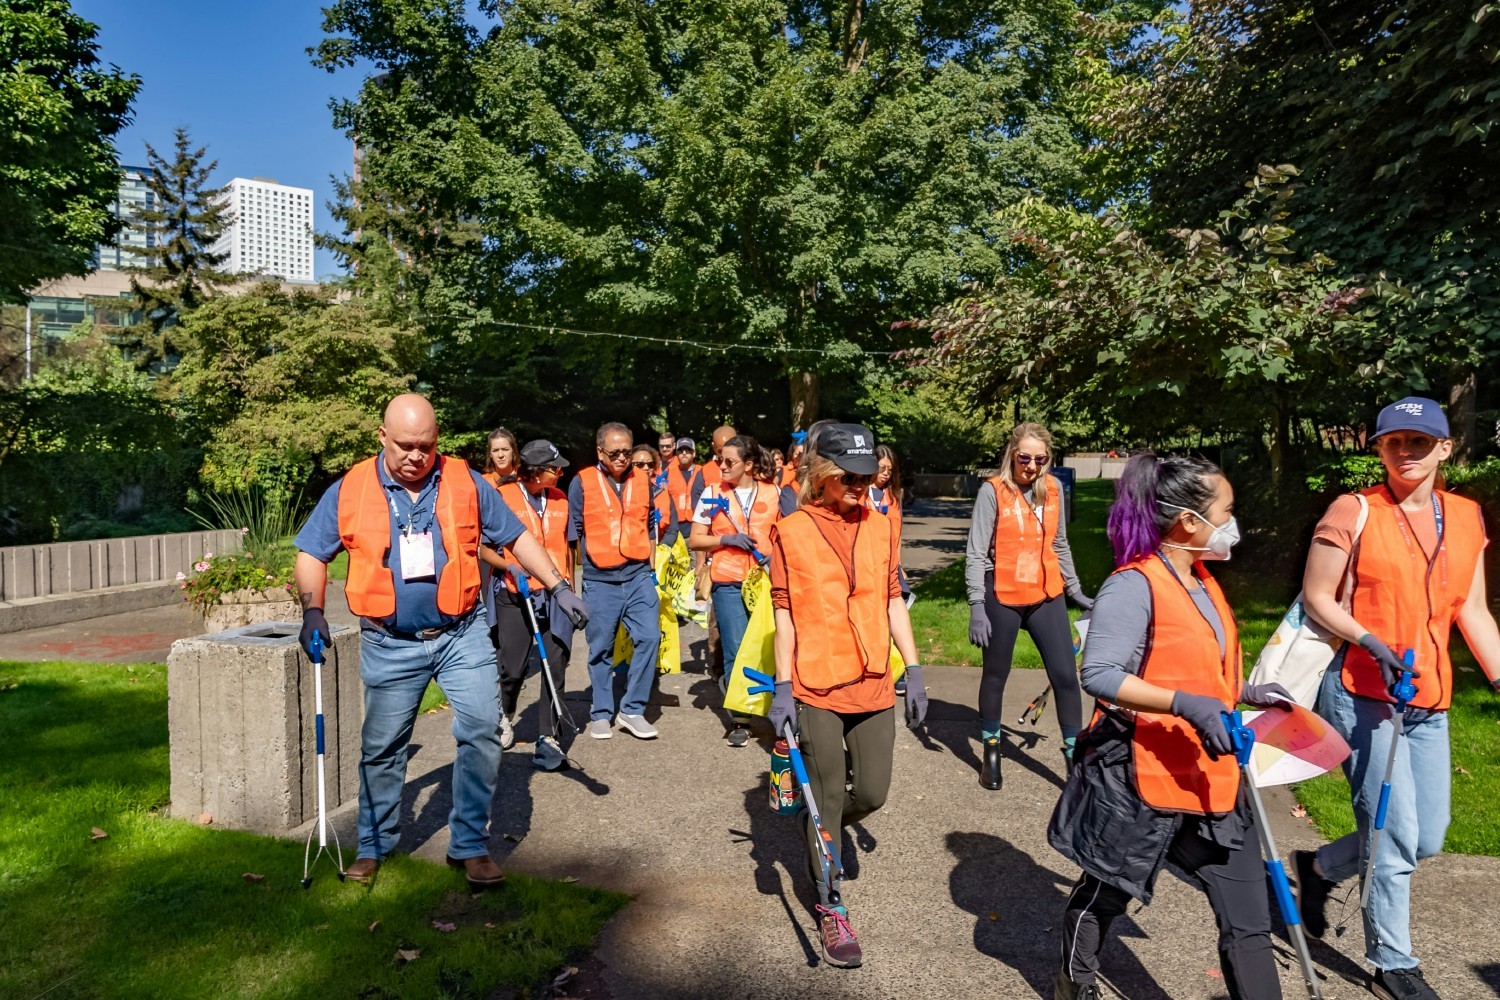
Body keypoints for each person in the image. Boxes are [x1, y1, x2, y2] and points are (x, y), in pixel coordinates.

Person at [293, 394, 589, 889]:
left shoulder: (464, 481)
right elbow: (311, 552)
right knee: (382, 748)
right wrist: (312, 610)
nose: (415, 456)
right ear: (382, 437)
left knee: (479, 732)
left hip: (462, 632)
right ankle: (374, 844)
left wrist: (558, 585)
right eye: (405, 445)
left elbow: (515, 537)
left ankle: (470, 844)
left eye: (426, 446)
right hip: (389, 641)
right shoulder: (349, 489)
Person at [1048, 451, 1292, 1000]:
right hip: (1143, 777)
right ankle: (1074, 982)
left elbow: (1198, 662)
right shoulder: (1133, 585)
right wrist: (1186, 704)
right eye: (1226, 511)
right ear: (1188, 520)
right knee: (1107, 893)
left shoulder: (1204, 580)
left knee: (1249, 923)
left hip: (1213, 776)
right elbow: (1102, 674)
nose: (1233, 523)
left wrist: (1246, 692)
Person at [1292, 397, 1500, 1000]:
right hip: (1363, 691)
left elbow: (1473, 610)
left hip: (1428, 697)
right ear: (1378, 448)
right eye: (1393, 442)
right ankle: (1393, 961)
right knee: (1391, 828)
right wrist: (1370, 641)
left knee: (1428, 836)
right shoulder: (1353, 511)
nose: (1405, 452)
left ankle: (1320, 868)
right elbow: (1318, 597)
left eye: (1418, 441)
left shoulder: (1466, 517)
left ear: (1444, 447)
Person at [766, 422, 927, 969]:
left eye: (866, 476)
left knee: (873, 792)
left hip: (874, 679)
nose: (862, 486)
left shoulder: (882, 527)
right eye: (850, 477)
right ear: (823, 476)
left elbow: (890, 599)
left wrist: (916, 666)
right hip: (814, 683)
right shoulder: (790, 531)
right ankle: (830, 902)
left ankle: (821, 828)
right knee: (829, 796)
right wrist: (783, 687)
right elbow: (784, 613)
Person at [965, 422, 1094, 787]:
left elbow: (1061, 544)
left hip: (1046, 593)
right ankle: (991, 750)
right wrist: (977, 604)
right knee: (996, 675)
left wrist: (1076, 590)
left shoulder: (1053, 490)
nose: (1032, 466)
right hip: (1003, 593)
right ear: (1011, 454)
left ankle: (1073, 756)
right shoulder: (992, 492)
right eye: (1025, 457)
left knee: (1067, 677)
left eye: (1041, 458)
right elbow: (976, 553)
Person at [569, 422, 664, 740]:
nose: (623, 458)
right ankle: (600, 712)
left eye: (628, 451)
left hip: (638, 575)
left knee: (650, 637)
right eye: (615, 453)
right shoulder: (582, 482)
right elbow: (573, 533)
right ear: (600, 451)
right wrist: (571, 582)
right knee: (600, 648)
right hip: (600, 579)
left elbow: (650, 523)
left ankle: (632, 709)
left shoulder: (643, 480)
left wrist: (651, 565)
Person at [486, 439, 576, 771]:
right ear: (537, 472)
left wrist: (570, 593)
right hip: (515, 593)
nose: (561, 471)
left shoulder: (561, 500)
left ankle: (548, 739)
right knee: (511, 668)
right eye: (555, 468)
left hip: (555, 595)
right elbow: (480, 547)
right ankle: (504, 713)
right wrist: (506, 565)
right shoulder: (501, 497)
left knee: (556, 663)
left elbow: (567, 552)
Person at [689, 434, 780, 747]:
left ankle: (776, 708)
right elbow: (694, 539)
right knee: (737, 647)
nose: (721, 466)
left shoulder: (774, 492)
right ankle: (740, 719)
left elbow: (787, 533)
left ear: (749, 465)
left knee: (771, 644)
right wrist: (723, 540)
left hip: (765, 580)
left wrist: (777, 554)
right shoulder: (712, 493)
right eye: (720, 460)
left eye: (730, 462)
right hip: (727, 580)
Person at [631, 444, 683, 547]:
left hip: (659, 549)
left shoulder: (662, 491)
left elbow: (672, 529)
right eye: (640, 464)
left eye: (650, 464)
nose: (646, 468)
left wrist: (663, 548)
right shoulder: (623, 492)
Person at [690, 424, 738, 509]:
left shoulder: (747, 469)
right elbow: (698, 508)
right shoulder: (704, 473)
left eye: (729, 449)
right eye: (720, 451)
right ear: (714, 447)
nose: (725, 454)